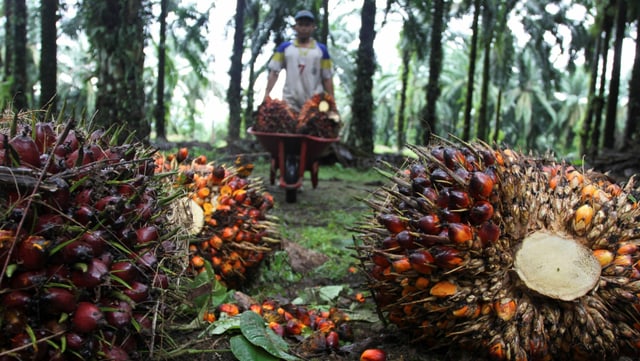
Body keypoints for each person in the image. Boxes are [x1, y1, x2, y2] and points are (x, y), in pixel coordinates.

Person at [264, 10, 335, 113]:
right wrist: (266, 95)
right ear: (295, 27)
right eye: (300, 24)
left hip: (314, 102)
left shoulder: (321, 50)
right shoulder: (285, 48)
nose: (303, 28)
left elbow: (327, 78)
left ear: (313, 27)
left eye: (307, 25)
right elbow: (274, 72)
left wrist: (332, 101)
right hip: (290, 102)